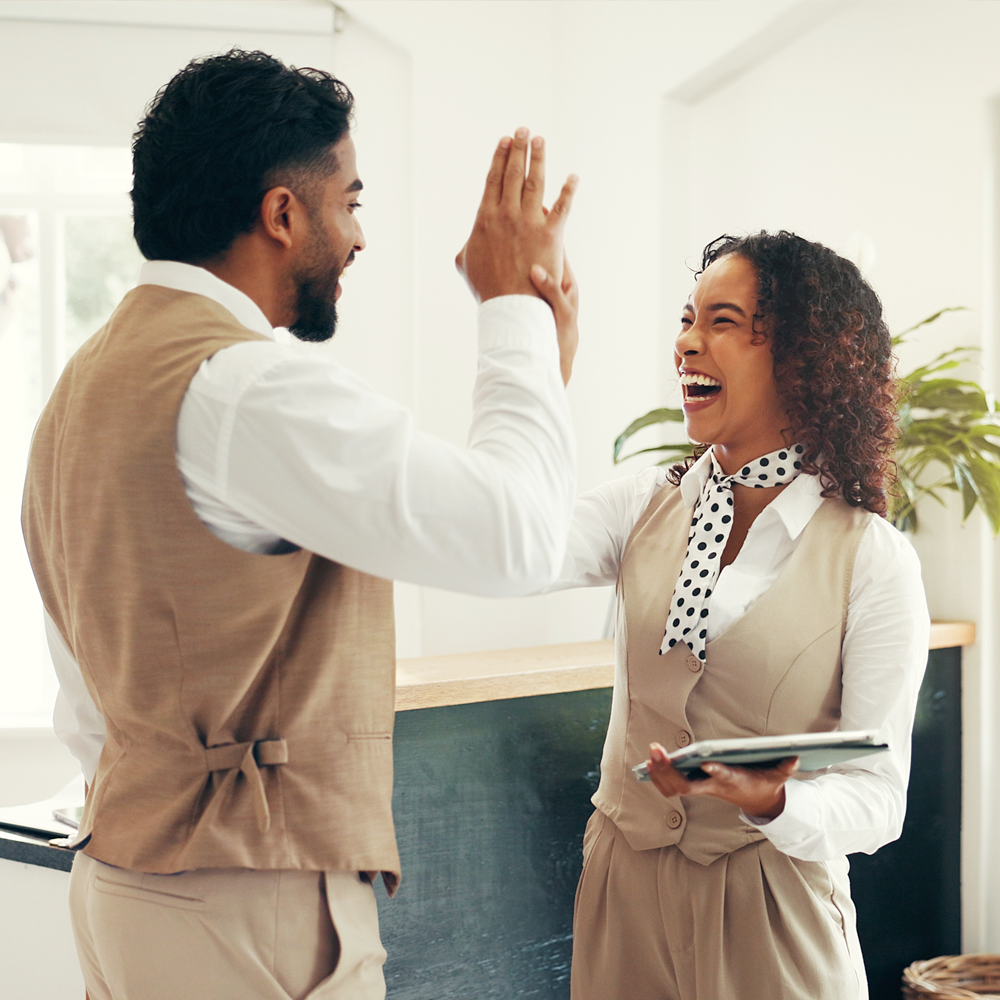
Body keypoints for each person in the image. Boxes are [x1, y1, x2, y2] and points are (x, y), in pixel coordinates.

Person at [21, 49, 580, 1000]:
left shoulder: (84, 385)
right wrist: (513, 314)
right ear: (283, 213)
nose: (359, 237)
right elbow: (516, 539)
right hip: (244, 901)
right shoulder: (246, 387)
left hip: (123, 883)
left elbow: (87, 697)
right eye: (350, 202)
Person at [549, 231, 928, 1000]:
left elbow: (879, 796)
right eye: (687, 319)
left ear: (803, 357)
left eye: (721, 321)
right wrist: (543, 372)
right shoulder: (640, 504)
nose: (687, 343)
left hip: (775, 918)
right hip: (622, 906)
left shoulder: (873, 558)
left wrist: (777, 801)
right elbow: (510, 547)